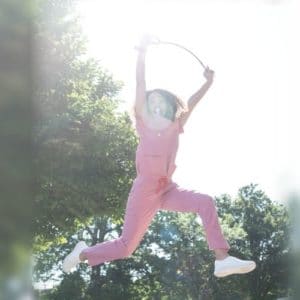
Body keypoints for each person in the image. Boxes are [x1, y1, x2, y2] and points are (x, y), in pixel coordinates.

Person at [62, 35, 256, 278]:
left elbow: (192, 103)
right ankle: (82, 253)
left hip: (167, 189)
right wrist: (142, 53)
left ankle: (222, 259)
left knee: (205, 202)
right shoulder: (143, 123)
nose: (153, 102)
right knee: (126, 247)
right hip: (145, 190)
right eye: (149, 100)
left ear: (167, 104)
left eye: (158, 99)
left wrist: (208, 83)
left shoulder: (175, 124)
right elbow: (140, 83)